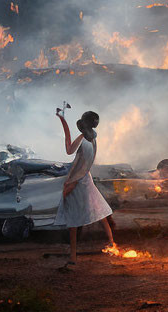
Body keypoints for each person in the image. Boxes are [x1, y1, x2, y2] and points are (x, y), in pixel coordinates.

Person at [54, 108, 114, 270]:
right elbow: (89, 161)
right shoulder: (93, 139)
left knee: (73, 221)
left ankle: (73, 258)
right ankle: (112, 244)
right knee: (99, 210)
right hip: (85, 178)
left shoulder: (82, 138)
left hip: (78, 181)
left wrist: (63, 121)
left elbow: (68, 150)